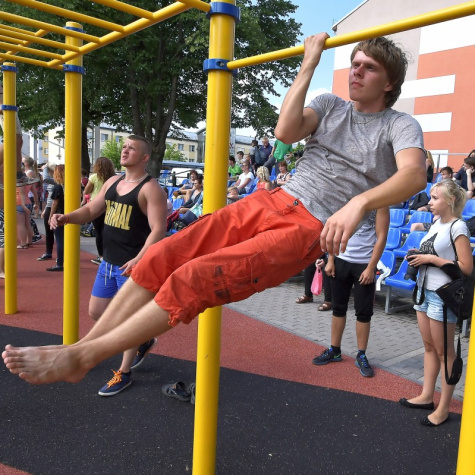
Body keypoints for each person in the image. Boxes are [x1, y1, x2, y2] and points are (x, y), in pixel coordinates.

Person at [2, 34, 427, 391]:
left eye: (369, 68)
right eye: (354, 64)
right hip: (273, 199)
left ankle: (86, 355)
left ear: (389, 81)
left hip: (308, 225)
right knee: (159, 256)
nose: (356, 71)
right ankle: (80, 352)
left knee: (193, 277)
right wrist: (309, 64)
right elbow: (285, 131)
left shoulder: (399, 125)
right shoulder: (331, 105)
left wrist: (359, 202)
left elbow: (413, 175)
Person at [58, 135, 166, 395]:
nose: (125, 150)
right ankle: (142, 338)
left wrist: (139, 258)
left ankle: (124, 372)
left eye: (132, 148)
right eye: (124, 146)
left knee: (127, 320)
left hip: (132, 267)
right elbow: (91, 210)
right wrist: (67, 217)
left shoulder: (151, 189)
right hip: (108, 263)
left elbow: (158, 229)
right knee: (97, 312)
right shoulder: (112, 182)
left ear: (145, 157)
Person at [399, 180, 472, 427]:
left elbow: (466, 267)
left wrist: (431, 259)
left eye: (435, 198)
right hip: (424, 291)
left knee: (445, 353)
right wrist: (419, 256)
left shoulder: (458, 226)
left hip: (442, 296)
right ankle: (427, 396)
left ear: (450, 201)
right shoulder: (437, 224)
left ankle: (443, 408)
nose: (430, 202)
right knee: (430, 348)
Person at [312, 208, 390, 378]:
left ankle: (361, 354)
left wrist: (371, 268)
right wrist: (330, 259)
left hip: (364, 265)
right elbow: (334, 230)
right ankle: (335, 350)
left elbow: (382, 237)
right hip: (341, 261)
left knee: (363, 312)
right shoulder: (348, 200)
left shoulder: (380, 205)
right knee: (338, 308)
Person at [0, 85, 38, 188]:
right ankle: (18, 174)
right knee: (12, 140)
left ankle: (18, 174)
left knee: (18, 140)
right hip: (5, 107)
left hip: (8, 105)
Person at [82, 157, 116, 265]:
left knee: (98, 231)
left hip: (96, 204)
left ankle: (101, 256)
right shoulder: (114, 178)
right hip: (110, 204)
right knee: (108, 230)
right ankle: (109, 254)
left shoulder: (94, 177)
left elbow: (86, 191)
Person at [45, 165, 65, 272]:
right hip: (69, 213)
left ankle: (60, 263)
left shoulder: (57, 187)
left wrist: (50, 216)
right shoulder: (70, 185)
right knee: (66, 239)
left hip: (59, 214)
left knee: (60, 239)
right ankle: (68, 261)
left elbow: (55, 203)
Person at [37, 164, 56, 262]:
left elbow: (45, 179)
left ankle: (61, 255)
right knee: (48, 232)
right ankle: (48, 252)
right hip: (49, 207)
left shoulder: (58, 181)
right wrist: (45, 209)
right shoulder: (53, 180)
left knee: (58, 233)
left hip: (56, 208)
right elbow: (50, 198)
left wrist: (45, 168)